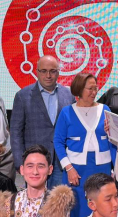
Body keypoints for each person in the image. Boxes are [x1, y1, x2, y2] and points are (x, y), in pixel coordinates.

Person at [54, 72, 113, 217]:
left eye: (96, 88)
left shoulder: (105, 109)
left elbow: (113, 141)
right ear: (79, 89)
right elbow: (58, 142)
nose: (94, 92)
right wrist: (68, 168)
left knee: (102, 206)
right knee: (78, 210)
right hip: (76, 171)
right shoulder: (67, 112)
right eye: (90, 89)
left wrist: (116, 168)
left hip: (102, 168)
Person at [10, 55, 75, 189]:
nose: (48, 75)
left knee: (58, 199)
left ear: (58, 72)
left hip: (61, 160)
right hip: (35, 161)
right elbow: (16, 132)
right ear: (37, 72)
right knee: (36, 199)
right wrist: (19, 162)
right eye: (44, 71)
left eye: (52, 71)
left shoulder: (68, 94)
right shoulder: (23, 96)